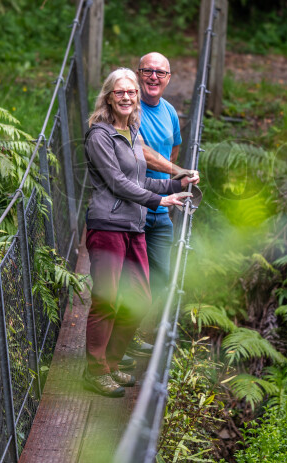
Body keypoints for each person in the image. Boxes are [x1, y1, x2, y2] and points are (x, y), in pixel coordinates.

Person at [82, 68, 196, 397]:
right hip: (107, 225)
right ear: (108, 96)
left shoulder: (133, 132)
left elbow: (140, 179)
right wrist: (161, 199)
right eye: (121, 92)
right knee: (106, 299)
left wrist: (177, 183)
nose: (128, 97)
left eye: (132, 92)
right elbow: (118, 183)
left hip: (133, 225)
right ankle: (96, 370)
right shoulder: (100, 136)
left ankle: (113, 363)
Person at [127, 52, 199, 359]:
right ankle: (116, 348)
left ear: (169, 78)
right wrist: (177, 172)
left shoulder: (170, 112)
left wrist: (175, 180)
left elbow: (175, 149)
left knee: (162, 279)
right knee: (130, 280)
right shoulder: (128, 108)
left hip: (161, 208)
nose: (153, 77)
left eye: (160, 73)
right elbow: (139, 150)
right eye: (147, 71)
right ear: (139, 73)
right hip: (133, 208)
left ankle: (132, 333)